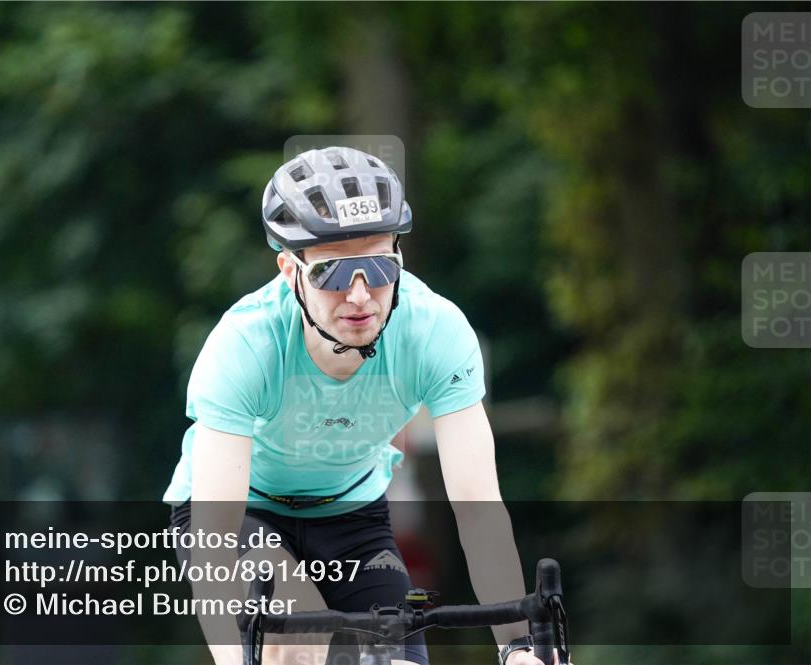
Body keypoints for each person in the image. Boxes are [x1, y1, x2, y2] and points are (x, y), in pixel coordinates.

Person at [164, 147, 556, 665]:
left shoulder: (435, 331)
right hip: (244, 514)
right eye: (332, 273)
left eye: (378, 267)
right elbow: (214, 538)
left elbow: (479, 510)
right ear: (290, 270)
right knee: (294, 643)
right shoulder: (244, 345)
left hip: (352, 515)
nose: (359, 295)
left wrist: (519, 648)